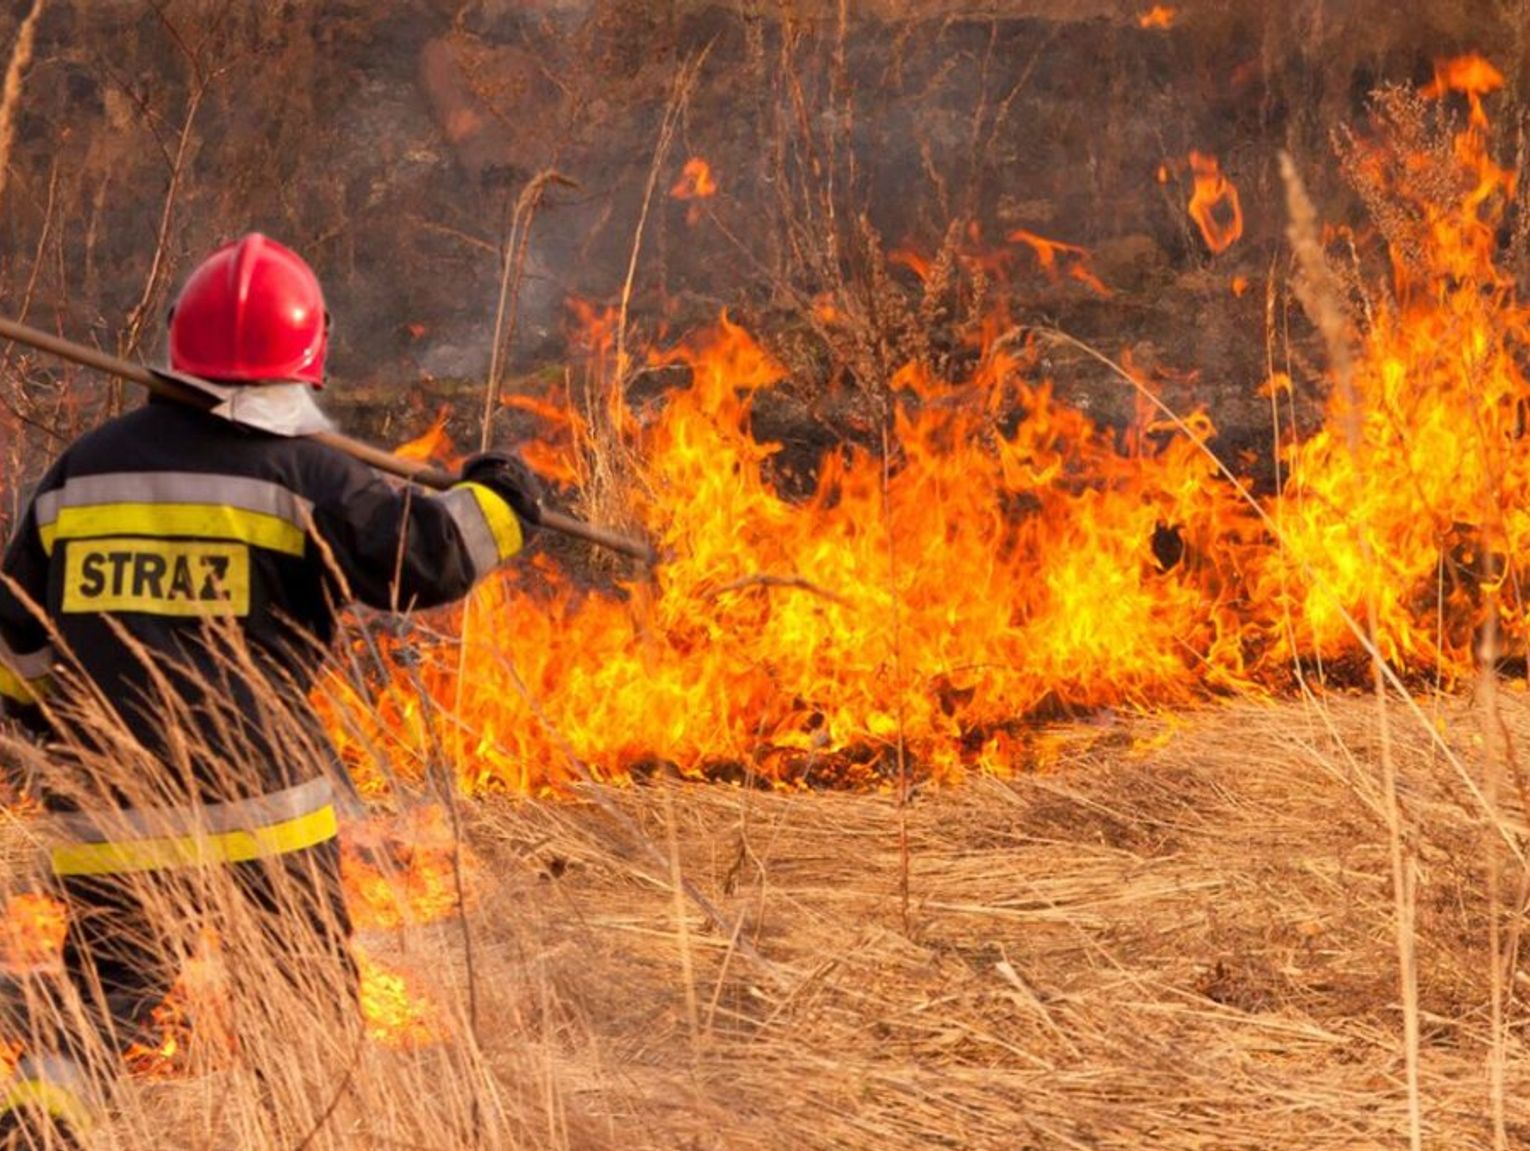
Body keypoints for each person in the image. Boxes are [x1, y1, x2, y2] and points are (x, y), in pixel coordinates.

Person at [0, 233, 541, 1146]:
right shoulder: (310, 474)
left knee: (100, 995)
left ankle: (43, 1117)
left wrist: (48, 740)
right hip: (263, 810)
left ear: (177, 344)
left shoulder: (79, 473)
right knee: (299, 998)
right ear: (309, 356)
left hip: (109, 804)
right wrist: (502, 498)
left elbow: (16, 644)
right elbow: (429, 559)